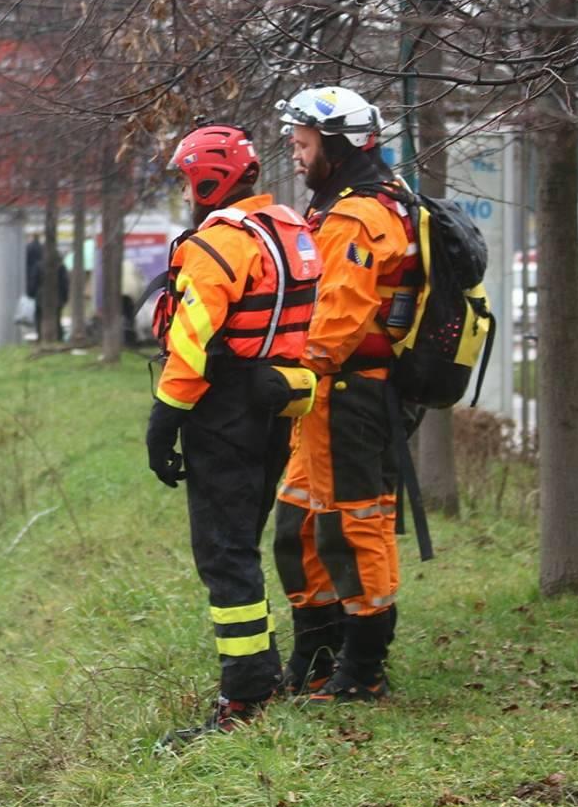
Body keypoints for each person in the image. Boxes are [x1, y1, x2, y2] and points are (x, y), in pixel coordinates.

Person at [150, 124, 322, 748]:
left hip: (222, 412)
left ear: (207, 179)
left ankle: (246, 694)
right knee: (241, 548)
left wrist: (162, 421)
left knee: (225, 556)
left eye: (185, 180)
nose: (185, 194)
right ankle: (259, 676)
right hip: (274, 407)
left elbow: (191, 344)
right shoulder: (289, 229)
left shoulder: (219, 244)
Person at [272, 86, 417, 703]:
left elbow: (338, 316)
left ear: (336, 145)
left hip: (350, 394)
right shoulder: (340, 206)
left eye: (304, 146)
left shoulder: (358, 216)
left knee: (356, 528)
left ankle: (363, 669)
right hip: (327, 396)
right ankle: (319, 651)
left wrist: (286, 379)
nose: (297, 157)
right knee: (297, 527)